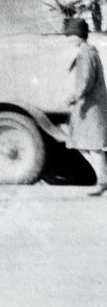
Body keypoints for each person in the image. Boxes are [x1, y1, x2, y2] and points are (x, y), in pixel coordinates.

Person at [63, 18, 107, 196]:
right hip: (89, 105)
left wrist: (73, 97)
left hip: (90, 107)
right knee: (83, 144)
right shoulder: (88, 52)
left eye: (70, 35)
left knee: (92, 145)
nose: (68, 39)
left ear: (78, 35)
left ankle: (103, 180)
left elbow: (86, 81)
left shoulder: (86, 54)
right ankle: (103, 178)